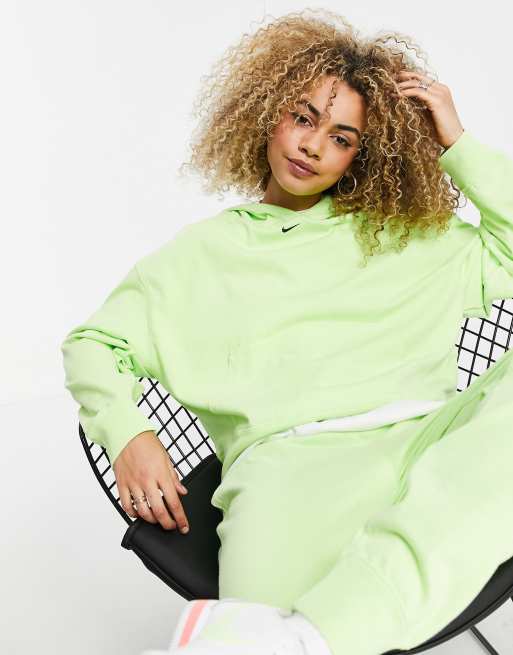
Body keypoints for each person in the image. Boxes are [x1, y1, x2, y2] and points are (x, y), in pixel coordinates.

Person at [61, 8, 513, 655]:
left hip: (427, 447)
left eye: (341, 137)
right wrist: (127, 432)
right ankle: (331, 626)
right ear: (266, 113)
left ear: (363, 154)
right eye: (303, 117)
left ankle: (310, 633)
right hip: (286, 475)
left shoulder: (404, 235)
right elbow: (95, 344)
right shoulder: (203, 254)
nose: (312, 146)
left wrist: (457, 143)